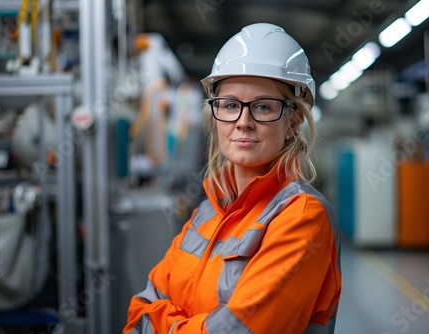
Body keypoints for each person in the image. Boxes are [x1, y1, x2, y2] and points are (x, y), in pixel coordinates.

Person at [123, 22, 341, 334]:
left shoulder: (302, 218)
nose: (243, 122)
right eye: (230, 105)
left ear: (293, 120)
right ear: (215, 114)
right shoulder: (208, 209)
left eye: (264, 107)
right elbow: (140, 307)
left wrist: (165, 324)